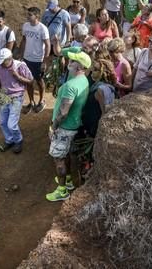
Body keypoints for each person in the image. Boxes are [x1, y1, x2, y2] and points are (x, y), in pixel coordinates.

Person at [46, 51, 90, 202]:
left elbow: (64, 112)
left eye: (73, 61)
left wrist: (54, 126)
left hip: (64, 127)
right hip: (74, 125)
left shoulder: (71, 86)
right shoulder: (83, 80)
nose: (69, 61)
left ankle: (62, 190)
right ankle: (69, 180)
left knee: (58, 159)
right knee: (65, 155)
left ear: (80, 67)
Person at [0, 48, 34, 153]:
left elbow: (30, 81)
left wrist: (17, 76)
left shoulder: (20, 66)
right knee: (2, 122)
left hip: (17, 97)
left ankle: (18, 140)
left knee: (11, 124)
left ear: (9, 59)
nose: (1, 64)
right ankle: (9, 140)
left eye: (3, 62)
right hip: (4, 97)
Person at [20, 6, 51, 113]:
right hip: (26, 58)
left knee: (39, 80)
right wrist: (21, 54)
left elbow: (47, 45)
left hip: (38, 60)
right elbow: (23, 40)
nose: (27, 16)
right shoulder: (25, 26)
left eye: (30, 15)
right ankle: (31, 102)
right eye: (28, 14)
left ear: (36, 16)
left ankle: (41, 100)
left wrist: (44, 61)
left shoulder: (43, 29)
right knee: (28, 81)